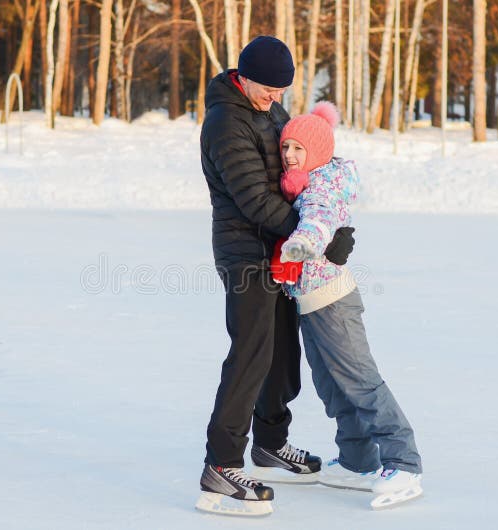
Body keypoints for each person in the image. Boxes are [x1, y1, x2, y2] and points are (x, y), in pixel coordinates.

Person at [196, 36, 355, 517]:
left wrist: (327, 214)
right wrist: (317, 237)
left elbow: (305, 167)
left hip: (282, 249)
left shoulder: (270, 112)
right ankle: (221, 465)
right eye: (269, 88)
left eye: (283, 90)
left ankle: (268, 442)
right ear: (244, 78)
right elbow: (254, 201)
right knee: (251, 351)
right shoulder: (225, 122)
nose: (276, 98)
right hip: (245, 250)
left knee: (284, 351)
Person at [277, 102, 423, 509]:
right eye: (286, 146)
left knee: (359, 380)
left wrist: (306, 241)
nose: (290, 154)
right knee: (330, 384)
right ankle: (358, 459)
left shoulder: (322, 184)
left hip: (332, 301)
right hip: (311, 301)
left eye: (298, 148)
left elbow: (319, 219)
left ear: (318, 151)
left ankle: (403, 460)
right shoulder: (305, 180)